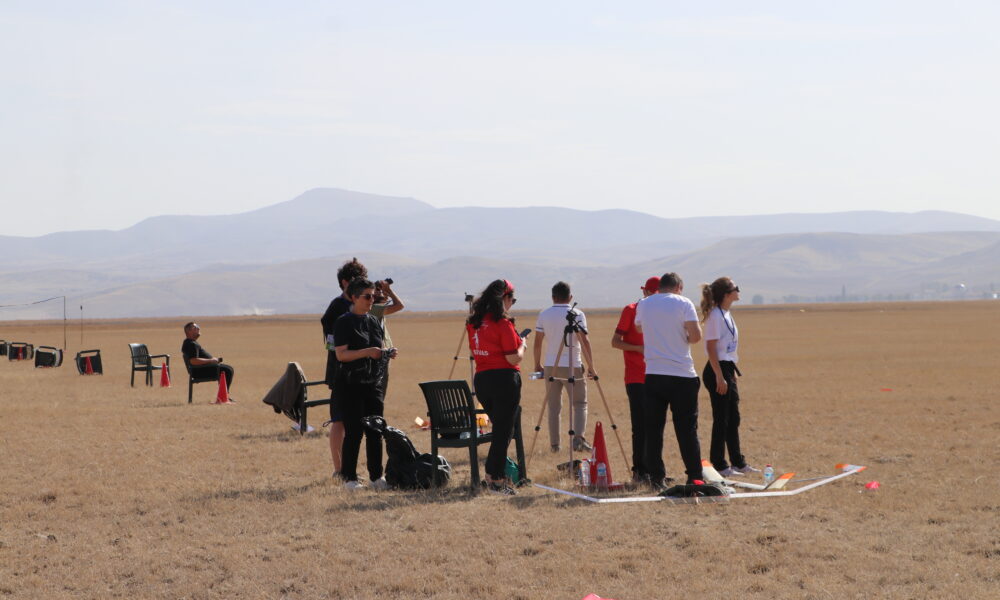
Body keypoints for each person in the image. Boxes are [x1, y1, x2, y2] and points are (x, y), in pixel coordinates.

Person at [634, 272, 704, 486]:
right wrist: (681, 335)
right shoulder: (684, 303)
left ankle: (656, 477)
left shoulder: (644, 304)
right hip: (682, 374)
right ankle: (694, 476)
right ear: (678, 287)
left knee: (654, 429)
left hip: (654, 374)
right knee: (686, 429)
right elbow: (696, 336)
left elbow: (638, 327)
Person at [334, 277, 398, 490]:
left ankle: (376, 477)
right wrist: (368, 352)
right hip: (350, 385)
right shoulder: (344, 322)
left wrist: (386, 353)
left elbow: (378, 348)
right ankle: (350, 479)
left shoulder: (373, 321)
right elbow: (341, 355)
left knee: (375, 431)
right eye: (367, 296)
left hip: (373, 384)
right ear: (354, 297)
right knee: (354, 432)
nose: (372, 300)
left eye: (374, 296)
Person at [467, 279, 526, 495]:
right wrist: (523, 345)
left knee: (502, 429)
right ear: (504, 298)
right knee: (503, 431)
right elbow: (512, 358)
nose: (512, 304)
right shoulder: (503, 323)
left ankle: (493, 474)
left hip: (482, 380)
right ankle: (496, 479)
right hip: (504, 380)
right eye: (512, 299)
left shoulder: (474, 322)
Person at [701, 277, 760, 477]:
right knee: (722, 419)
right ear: (727, 294)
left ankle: (738, 462)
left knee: (733, 417)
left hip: (727, 368)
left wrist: (731, 372)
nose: (738, 291)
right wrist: (719, 376)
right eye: (736, 288)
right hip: (716, 369)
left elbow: (726, 347)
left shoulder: (726, 313)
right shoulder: (715, 315)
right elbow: (711, 347)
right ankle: (719, 464)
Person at [532, 281, 594, 453]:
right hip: (573, 364)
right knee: (580, 403)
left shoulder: (544, 314)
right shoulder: (578, 314)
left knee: (553, 407)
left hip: (551, 365)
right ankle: (578, 440)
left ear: (553, 297)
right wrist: (591, 366)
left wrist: (537, 364)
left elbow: (537, 343)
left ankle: (555, 445)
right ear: (570, 297)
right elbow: (585, 341)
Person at [320, 258, 368, 479]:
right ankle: (339, 470)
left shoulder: (363, 305)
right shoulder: (336, 308)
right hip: (340, 372)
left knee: (358, 422)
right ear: (345, 282)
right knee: (339, 420)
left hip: (362, 373)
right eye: (357, 281)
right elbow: (332, 344)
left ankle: (353, 469)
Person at [610, 276, 660, 482]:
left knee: (656, 426)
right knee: (640, 426)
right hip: (636, 377)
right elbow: (615, 342)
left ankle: (656, 470)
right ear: (645, 292)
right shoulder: (630, 310)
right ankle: (639, 471)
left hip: (658, 374)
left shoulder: (661, 311)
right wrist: (638, 348)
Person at [370, 278, 405, 400]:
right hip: (378, 358)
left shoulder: (377, 309)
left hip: (383, 356)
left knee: (379, 394)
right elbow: (399, 306)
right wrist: (389, 291)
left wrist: (385, 293)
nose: (380, 292)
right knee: (378, 396)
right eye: (377, 290)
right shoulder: (374, 309)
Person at [181, 322, 235, 400]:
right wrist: (211, 360)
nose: (198, 328)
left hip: (201, 369)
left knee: (228, 369)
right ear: (189, 331)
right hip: (199, 371)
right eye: (195, 327)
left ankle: (224, 396)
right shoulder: (191, 344)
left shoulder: (190, 342)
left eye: (198, 326)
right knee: (227, 370)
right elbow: (193, 361)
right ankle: (224, 397)